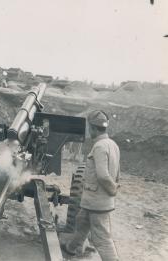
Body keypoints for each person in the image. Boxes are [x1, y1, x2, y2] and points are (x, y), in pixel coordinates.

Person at [62, 110, 120, 261]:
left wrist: (112, 189)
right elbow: (117, 172)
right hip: (92, 201)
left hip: (97, 202)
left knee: (102, 239)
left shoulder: (100, 146)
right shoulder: (112, 145)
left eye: (89, 128)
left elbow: (103, 175)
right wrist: (114, 186)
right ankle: (71, 248)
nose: (89, 131)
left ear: (93, 128)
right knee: (82, 223)